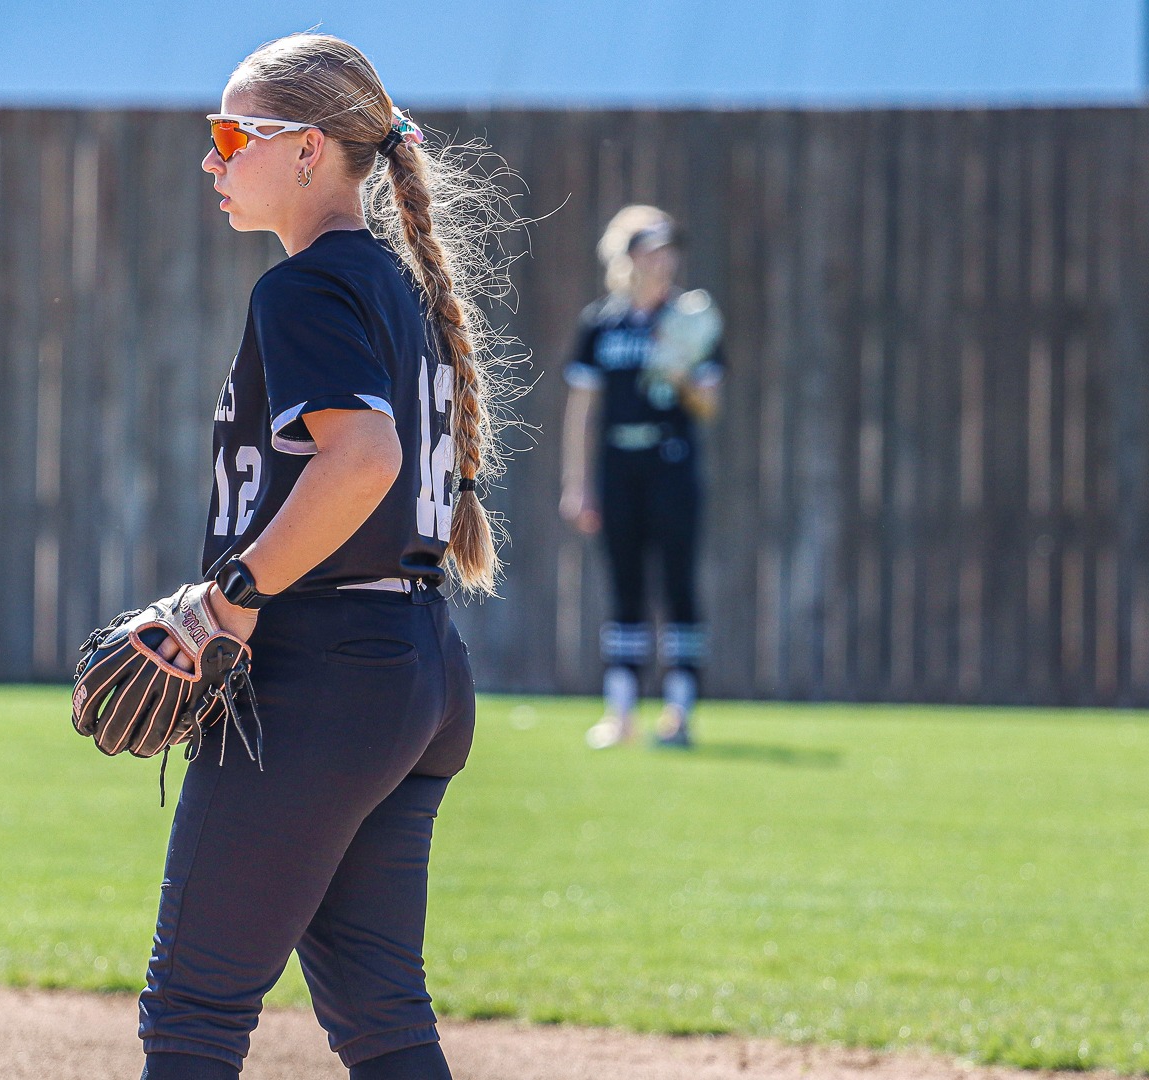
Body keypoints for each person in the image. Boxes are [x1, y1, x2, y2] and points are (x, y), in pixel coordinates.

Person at [131, 32, 514, 1080]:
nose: (211, 161)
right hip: (417, 670)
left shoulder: (302, 289)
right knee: (382, 1018)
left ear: (306, 151)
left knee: (193, 1015)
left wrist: (235, 597)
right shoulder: (396, 284)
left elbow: (362, 461)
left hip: (323, 673)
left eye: (229, 135)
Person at [559, 205, 723, 750]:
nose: (665, 260)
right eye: (653, 249)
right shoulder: (601, 323)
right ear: (629, 256)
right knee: (624, 589)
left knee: (678, 585)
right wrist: (577, 483)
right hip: (617, 467)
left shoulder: (691, 319)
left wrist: (677, 369)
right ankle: (620, 712)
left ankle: (679, 711)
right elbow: (582, 409)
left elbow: (707, 407)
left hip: (672, 464)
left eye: (670, 250)